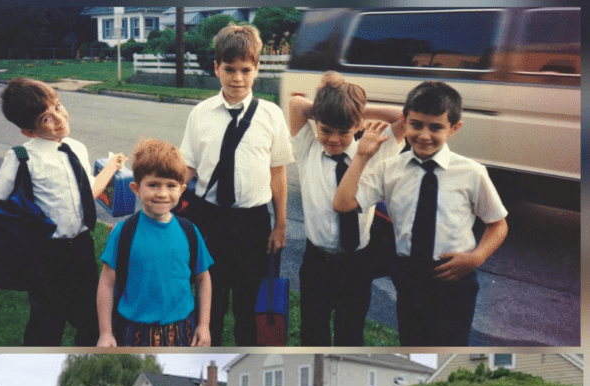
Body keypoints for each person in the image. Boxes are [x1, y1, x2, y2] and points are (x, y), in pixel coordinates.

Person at [0, 77, 126, 347]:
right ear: (29, 132)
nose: (59, 117)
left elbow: (87, 193)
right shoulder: (21, 157)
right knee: (46, 321)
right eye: (46, 118)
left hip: (81, 247)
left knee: (91, 315)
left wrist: (112, 167)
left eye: (57, 106)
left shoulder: (77, 148)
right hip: (46, 254)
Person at [334, 81, 509, 346]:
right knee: (413, 342)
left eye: (436, 127)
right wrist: (362, 156)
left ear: (454, 128)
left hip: (455, 277)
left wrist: (477, 257)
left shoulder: (471, 172)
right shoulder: (389, 169)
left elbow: (497, 224)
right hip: (410, 277)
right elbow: (344, 204)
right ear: (405, 122)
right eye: (416, 125)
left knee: (450, 344)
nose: (424, 135)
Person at [180, 24, 294, 346]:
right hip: (208, 220)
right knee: (209, 303)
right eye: (229, 69)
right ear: (216, 68)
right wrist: (164, 191)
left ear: (257, 68)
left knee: (248, 305)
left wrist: (281, 224)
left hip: (253, 222)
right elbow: (188, 165)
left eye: (246, 69)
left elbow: (278, 173)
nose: (238, 79)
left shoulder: (271, 115)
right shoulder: (200, 114)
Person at [289, 72, 406, 346]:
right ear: (317, 123)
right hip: (317, 261)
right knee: (313, 332)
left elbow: (405, 117)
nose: (333, 139)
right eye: (326, 129)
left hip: (356, 263)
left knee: (350, 333)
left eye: (344, 131)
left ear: (358, 125)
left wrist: (356, 110)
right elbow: (295, 105)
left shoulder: (374, 148)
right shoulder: (308, 147)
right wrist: (332, 104)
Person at [96, 139, 213, 347]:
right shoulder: (123, 233)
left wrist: (203, 325)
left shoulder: (189, 232)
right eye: (153, 185)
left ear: (182, 189)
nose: (162, 193)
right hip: (132, 331)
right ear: (136, 188)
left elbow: (203, 279)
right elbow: (106, 283)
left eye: (171, 186)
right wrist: (105, 333)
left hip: (182, 329)